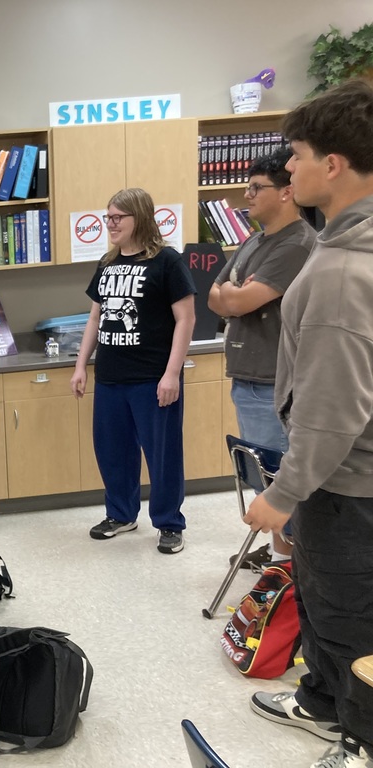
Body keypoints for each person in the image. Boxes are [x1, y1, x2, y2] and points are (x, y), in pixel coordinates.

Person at [244, 80, 373, 768]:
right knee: (325, 597)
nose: (285, 169)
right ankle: (324, 703)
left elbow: (333, 410)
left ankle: (358, 737)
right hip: (343, 479)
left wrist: (283, 495)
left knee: (350, 611)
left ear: (335, 165)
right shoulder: (341, 242)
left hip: (348, 485)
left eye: (295, 155)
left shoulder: (346, 269)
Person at [70, 188, 196, 554]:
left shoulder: (167, 262)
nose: (110, 224)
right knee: (112, 452)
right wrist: (81, 366)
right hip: (110, 377)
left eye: (117, 218)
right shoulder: (107, 263)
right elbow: (95, 316)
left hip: (152, 378)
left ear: (139, 218)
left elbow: (186, 319)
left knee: (162, 455)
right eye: (108, 217)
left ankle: (170, 523)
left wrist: (172, 374)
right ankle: (121, 514)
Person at [207, 148, 316, 569]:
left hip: (275, 382)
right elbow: (217, 295)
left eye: (257, 188)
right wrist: (234, 296)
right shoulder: (255, 240)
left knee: (280, 482)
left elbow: (242, 298)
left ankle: (289, 567)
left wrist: (236, 296)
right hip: (248, 378)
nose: (246, 196)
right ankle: (278, 556)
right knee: (264, 478)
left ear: (287, 192)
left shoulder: (298, 243)